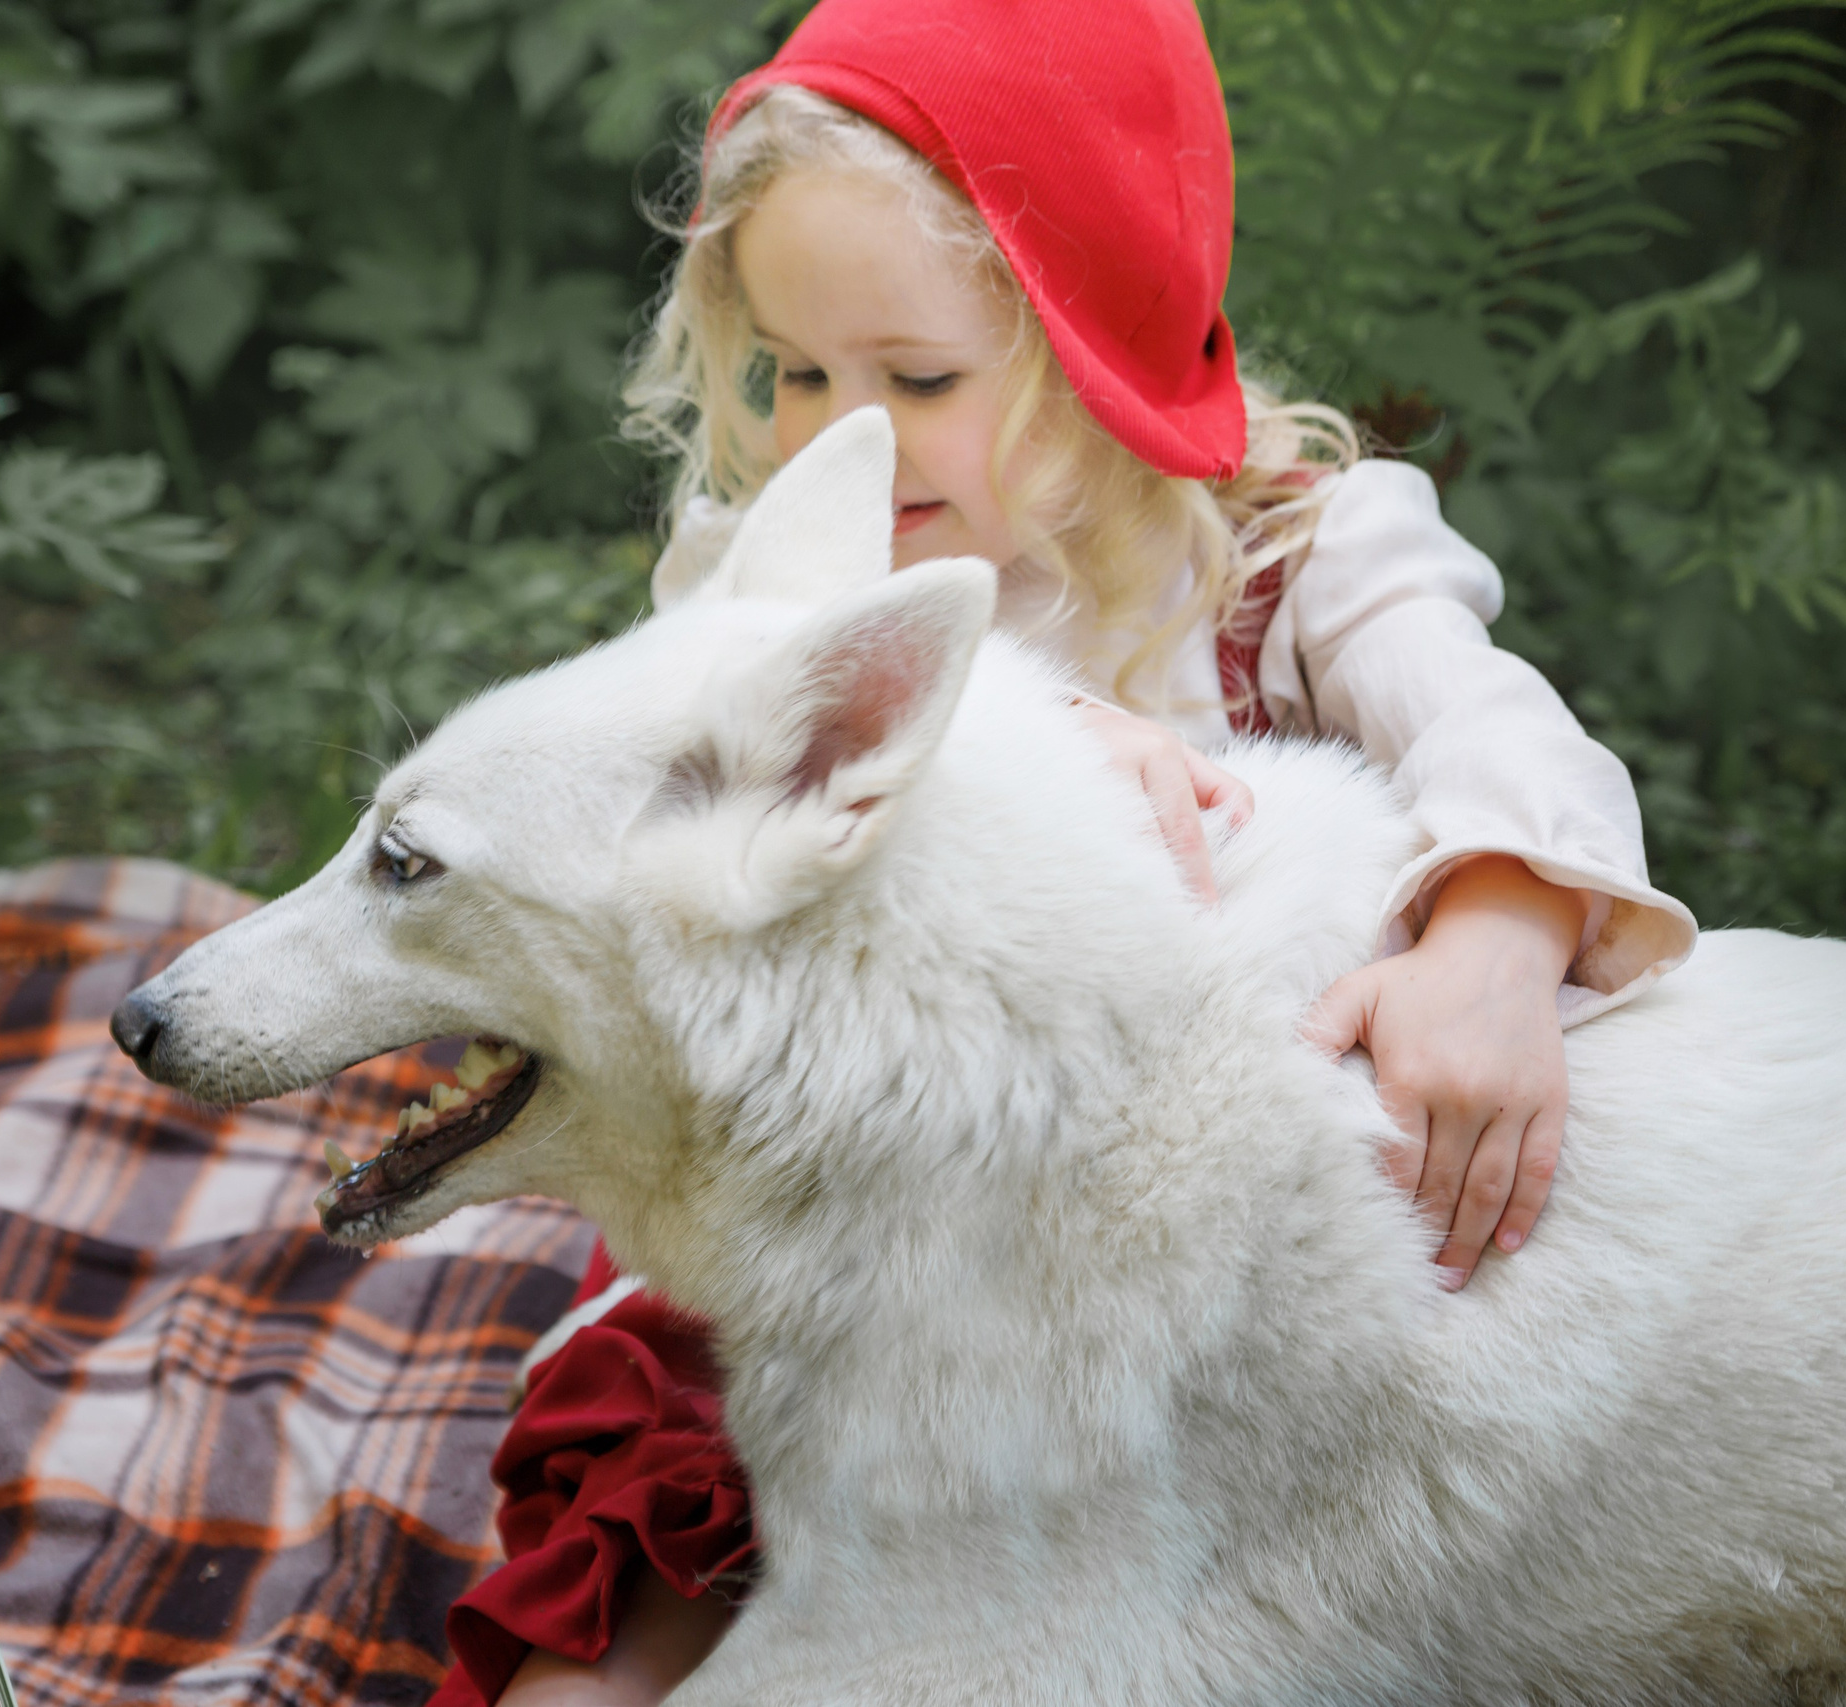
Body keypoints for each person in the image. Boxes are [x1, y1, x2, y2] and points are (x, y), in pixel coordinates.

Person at [433, 2, 1697, 1702]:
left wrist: (1490, 938)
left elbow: (1515, 749)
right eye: (791, 371)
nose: (838, 436)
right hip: (827, 1252)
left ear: (1092, 326)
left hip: (1176, 1299)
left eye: (920, 378)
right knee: (618, 1644)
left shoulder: (1287, 558)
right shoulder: (779, 580)